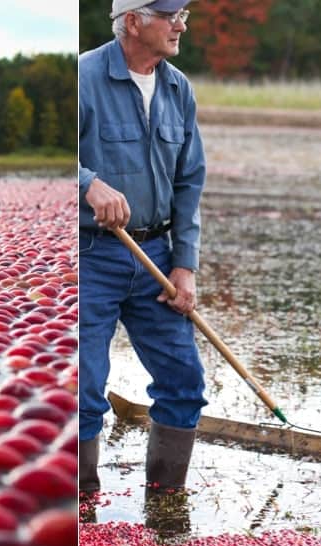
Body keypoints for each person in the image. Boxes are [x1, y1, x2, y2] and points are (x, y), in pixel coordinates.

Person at [78, 0, 207, 501]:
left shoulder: (179, 88)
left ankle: (165, 500)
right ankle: (80, 511)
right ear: (133, 21)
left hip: (155, 257)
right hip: (90, 255)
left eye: (184, 15)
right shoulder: (82, 77)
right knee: (82, 390)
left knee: (183, 382)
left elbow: (189, 182)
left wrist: (185, 264)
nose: (180, 24)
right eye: (170, 15)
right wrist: (87, 183)